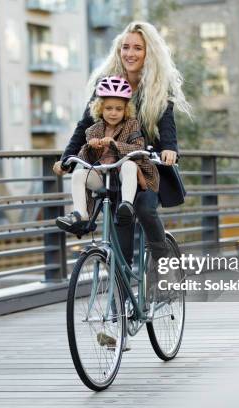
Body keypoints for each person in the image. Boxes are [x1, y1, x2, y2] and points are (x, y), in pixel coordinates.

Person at [53, 21, 192, 267]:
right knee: (120, 230)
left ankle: (163, 263)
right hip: (112, 166)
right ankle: (122, 299)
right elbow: (85, 125)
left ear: (149, 52)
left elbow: (167, 124)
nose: (130, 53)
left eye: (137, 48)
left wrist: (170, 149)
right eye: (125, 47)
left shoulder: (158, 88)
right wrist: (66, 159)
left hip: (145, 166)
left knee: (145, 208)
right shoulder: (107, 84)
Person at [55, 76, 159, 233]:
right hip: (104, 178)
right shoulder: (93, 130)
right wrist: (90, 147)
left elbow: (138, 148)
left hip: (124, 177)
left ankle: (127, 206)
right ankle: (81, 214)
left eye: (119, 109)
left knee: (129, 164)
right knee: (78, 175)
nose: (113, 113)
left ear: (126, 110)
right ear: (100, 109)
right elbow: (86, 160)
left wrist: (114, 144)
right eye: (108, 108)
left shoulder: (132, 125)